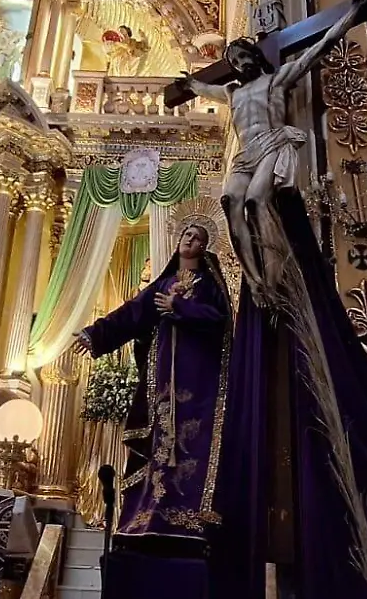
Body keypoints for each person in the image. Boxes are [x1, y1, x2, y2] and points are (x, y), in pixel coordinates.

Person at [178, 0, 367, 298]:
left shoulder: (276, 80)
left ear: (256, 57)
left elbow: (321, 47)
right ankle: (254, 280)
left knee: (257, 201)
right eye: (235, 60)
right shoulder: (232, 93)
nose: (241, 62)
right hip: (245, 155)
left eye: (245, 55)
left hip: (272, 142)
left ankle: (272, 279)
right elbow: (201, 88)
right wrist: (189, 83)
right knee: (231, 202)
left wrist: (354, 11)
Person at [73, 222, 232, 549]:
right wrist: (96, 333)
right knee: (162, 440)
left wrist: (180, 308)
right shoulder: (164, 283)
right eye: (188, 235)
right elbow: (133, 314)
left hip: (199, 380)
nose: (191, 240)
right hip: (162, 381)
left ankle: (190, 516)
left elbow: (220, 318)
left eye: (198, 238)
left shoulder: (209, 283)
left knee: (194, 440)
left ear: (205, 247)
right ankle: (152, 511)